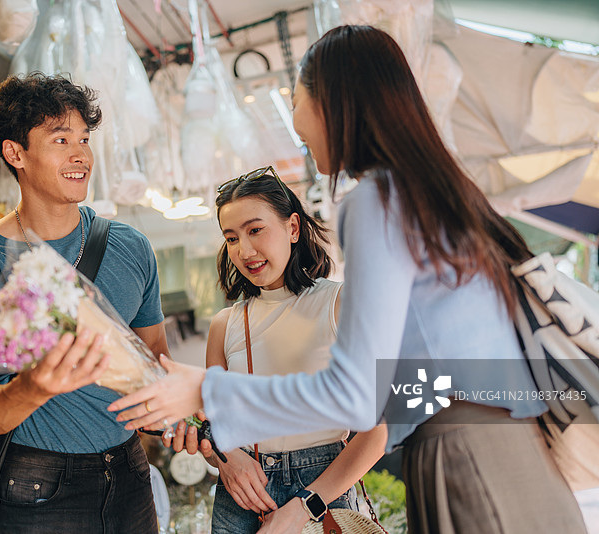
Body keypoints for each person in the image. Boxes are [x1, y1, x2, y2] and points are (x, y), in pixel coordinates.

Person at [109, 26, 589, 534]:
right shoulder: (438, 193)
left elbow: (359, 395)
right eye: (232, 236)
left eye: (296, 99)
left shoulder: (376, 200)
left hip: (465, 456)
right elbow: (424, 378)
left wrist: (208, 391)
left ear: (333, 102)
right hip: (513, 449)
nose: (295, 122)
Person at [0, 72, 169, 534]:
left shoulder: (130, 246)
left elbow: (156, 360)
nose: (81, 153)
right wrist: (34, 387)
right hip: (35, 491)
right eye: (61, 139)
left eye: (84, 138)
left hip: (130, 477)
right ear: (15, 153)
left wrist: (183, 416)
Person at [201, 165, 387, 533]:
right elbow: (212, 424)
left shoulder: (340, 303)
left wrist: (305, 505)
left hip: (325, 488)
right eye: (232, 238)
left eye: (255, 230)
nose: (245, 250)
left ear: (293, 228)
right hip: (244, 496)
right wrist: (227, 460)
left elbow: (380, 428)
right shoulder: (224, 325)